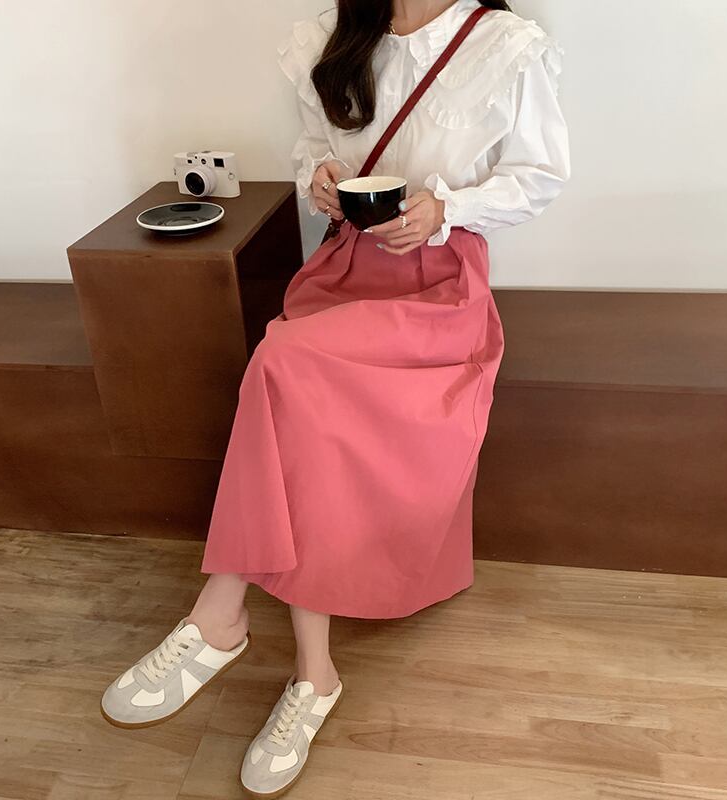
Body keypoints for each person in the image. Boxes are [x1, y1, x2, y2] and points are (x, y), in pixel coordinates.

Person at [99, 1, 570, 797]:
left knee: (283, 362)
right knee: (298, 396)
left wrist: (448, 209)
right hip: (344, 271)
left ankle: (223, 614)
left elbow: (542, 176)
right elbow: (316, 150)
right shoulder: (332, 37)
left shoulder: (506, 45)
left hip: (439, 290)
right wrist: (317, 179)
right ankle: (312, 671)